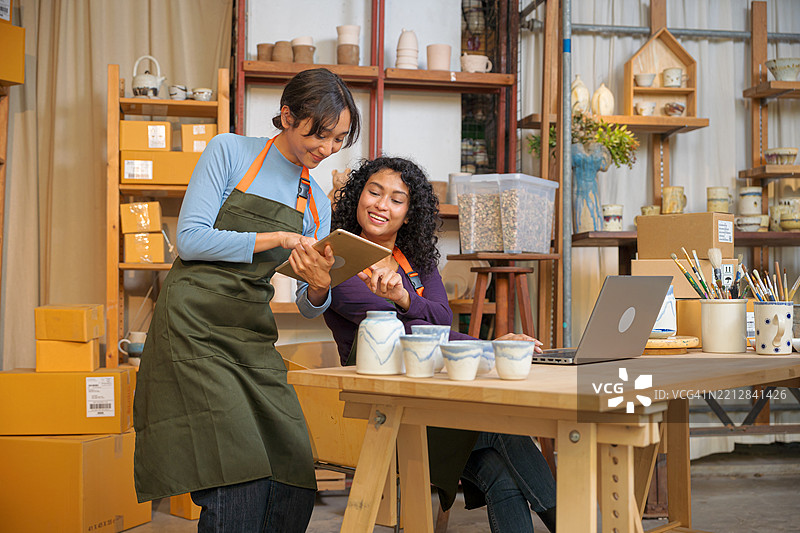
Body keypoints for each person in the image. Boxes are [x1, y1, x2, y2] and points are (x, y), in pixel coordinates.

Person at [133, 68, 361, 533]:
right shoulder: (231, 152)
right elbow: (191, 241)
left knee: (293, 468)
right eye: (320, 135)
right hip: (193, 325)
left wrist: (320, 284)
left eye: (338, 140)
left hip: (251, 333)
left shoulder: (316, 200)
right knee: (235, 472)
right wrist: (273, 236)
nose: (328, 149)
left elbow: (307, 302)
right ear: (286, 116)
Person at [323, 157, 557, 532]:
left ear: (408, 214)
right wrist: (490, 347)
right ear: (357, 197)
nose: (382, 205)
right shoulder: (339, 261)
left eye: (397, 199)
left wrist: (405, 299)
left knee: (500, 472)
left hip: (429, 397)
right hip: (383, 410)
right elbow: (405, 332)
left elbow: (441, 320)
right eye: (374, 192)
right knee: (502, 426)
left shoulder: (416, 260)